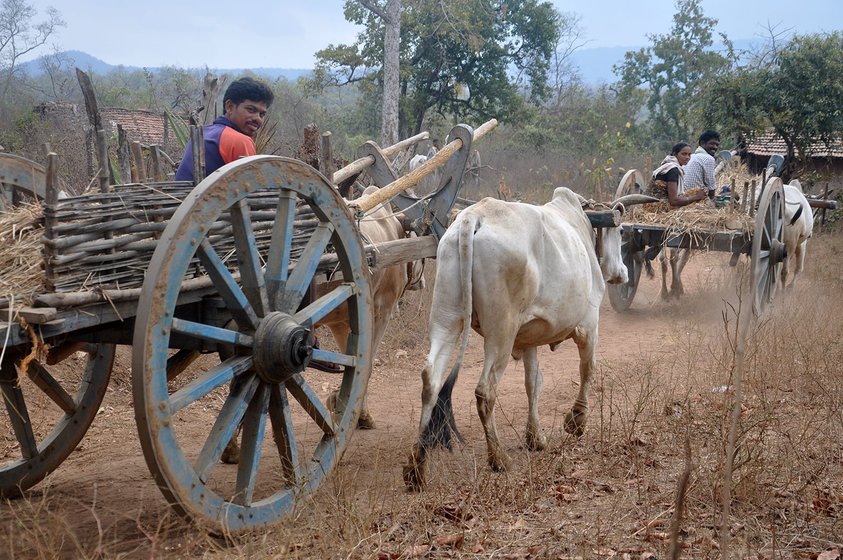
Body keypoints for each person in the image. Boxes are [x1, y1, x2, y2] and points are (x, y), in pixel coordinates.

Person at [175, 77, 274, 182]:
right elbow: (251, 188)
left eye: (262, 114)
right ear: (230, 107)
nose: (257, 118)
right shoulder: (239, 140)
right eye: (250, 110)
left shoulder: (204, 132)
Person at [647, 142, 708, 207]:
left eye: (689, 155)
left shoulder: (668, 166)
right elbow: (674, 201)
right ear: (675, 154)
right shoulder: (673, 170)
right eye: (684, 154)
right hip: (658, 207)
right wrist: (696, 197)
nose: (687, 157)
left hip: (651, 205)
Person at [683, 130, 721, 198]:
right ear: (702, 143)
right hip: (696, 200)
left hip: (683, 198)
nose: (715, 147)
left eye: (717, 145)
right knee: (733, 195)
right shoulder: (709, 158)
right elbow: (711, 190)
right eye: (712, 144)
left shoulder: (690, 157)